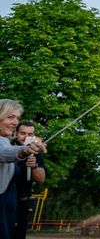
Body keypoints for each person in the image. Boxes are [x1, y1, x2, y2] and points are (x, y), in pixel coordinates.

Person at [0, 99, 47, 239]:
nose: (15, 122)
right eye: (10, 117)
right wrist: (24, 150)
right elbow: (4, 152)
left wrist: (33, 165)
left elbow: (40, 179)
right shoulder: (9, 145)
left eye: (17, 118)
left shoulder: (5, 140)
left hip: (17, 204)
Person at [12, 120, 46, 239]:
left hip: (22, 201)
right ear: (16, 133)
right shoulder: (7, 147)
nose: (27, 137)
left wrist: (34, 166)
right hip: (4, 199)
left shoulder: (36, 152)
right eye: (23, 133)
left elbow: (41, 179)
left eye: (30, 134)